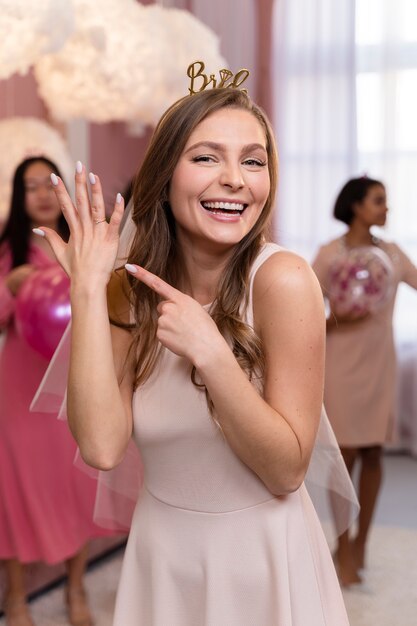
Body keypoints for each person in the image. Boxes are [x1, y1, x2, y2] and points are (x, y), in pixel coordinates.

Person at [35, 88, 352, 625]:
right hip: (163, 556)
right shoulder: (126, 290)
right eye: (207, 156)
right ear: (164, 175)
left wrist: (214, 355)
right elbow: (102, 446)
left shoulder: (284, 281)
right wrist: (87, 290)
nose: (235, 178)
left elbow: (287, 471)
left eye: (253, 161)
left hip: (260, 559)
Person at [0, 157, 114, 626]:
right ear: (19, 197)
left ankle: (75, 586)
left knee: (77, 482)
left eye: (49, 184)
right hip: (21, 385)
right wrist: (12, 287)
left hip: (76, 380)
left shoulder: (86, 245)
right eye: (30, 187)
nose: (43, 195)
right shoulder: (11, 250)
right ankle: (18, 596)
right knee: (15, 487)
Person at [312, 176, 417, 586]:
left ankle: (362, 545)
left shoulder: (391, 253)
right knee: (346, 456)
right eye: (379, 200)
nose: (386, 208)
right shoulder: (328, 254)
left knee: (373, 454)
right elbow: (299, 308)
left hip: (379, 365)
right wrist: (339, 317)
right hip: (340, 364)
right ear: (356, 206)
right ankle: (342, 544)